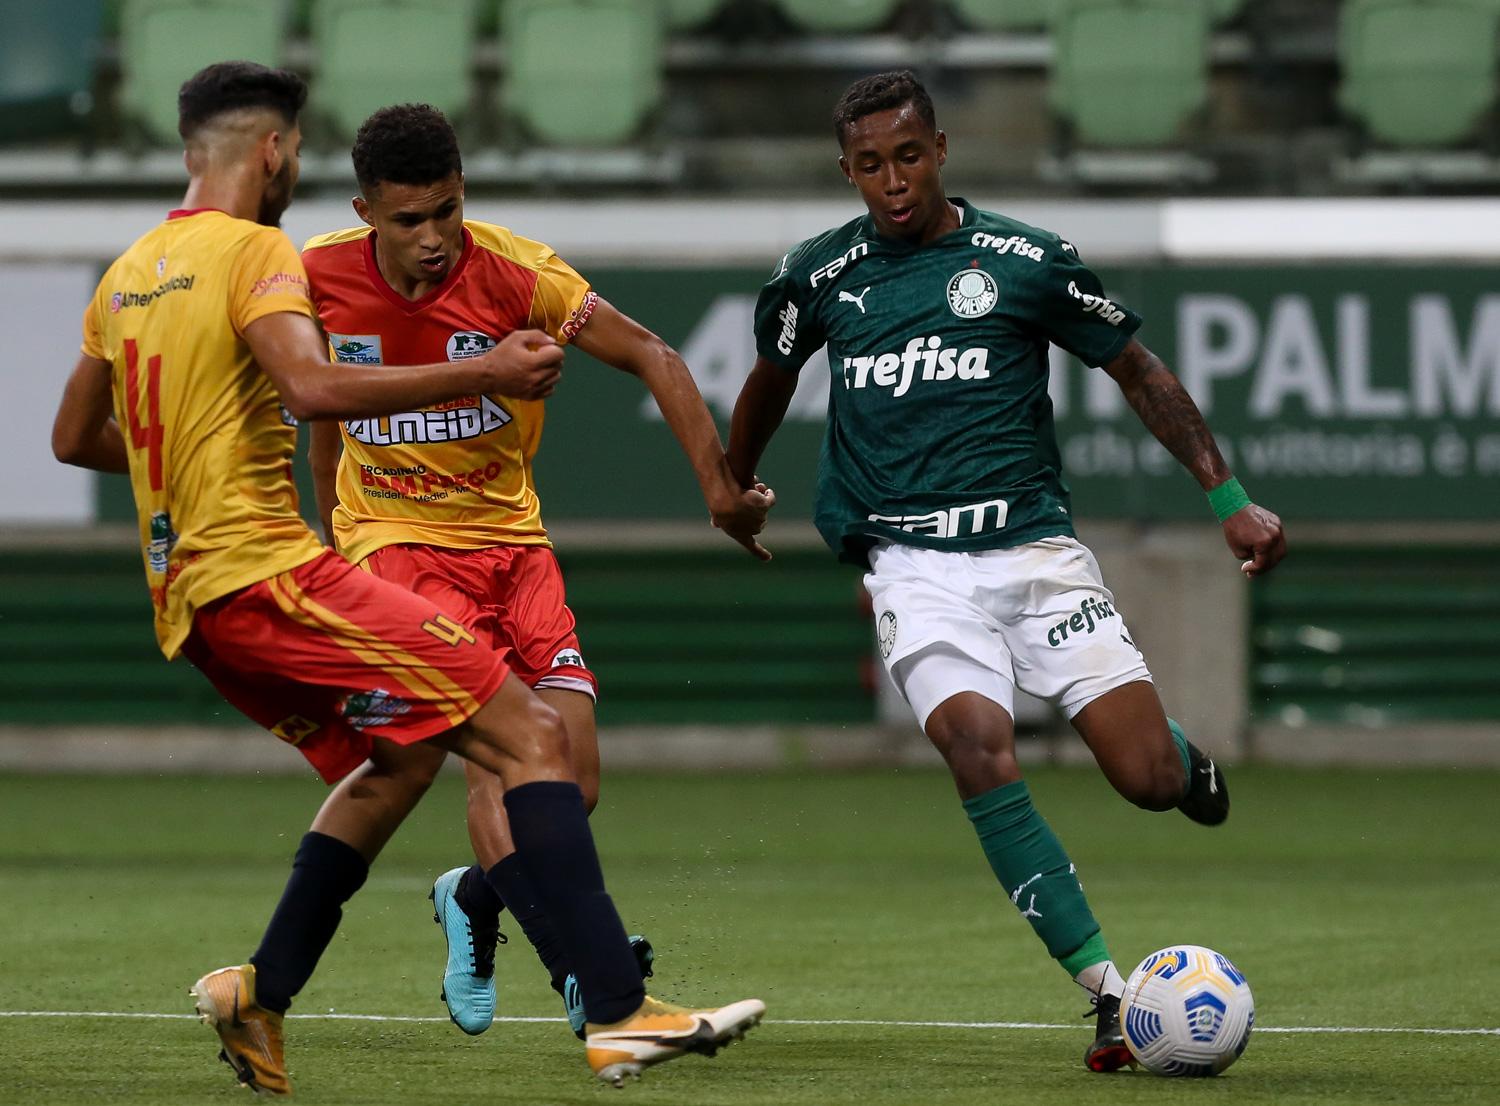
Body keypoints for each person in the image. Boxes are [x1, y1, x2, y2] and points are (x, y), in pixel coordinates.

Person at [50, 61, 764, 1096]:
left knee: (403, 769)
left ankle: (263, 990)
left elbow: (75, 436)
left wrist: (186, 461)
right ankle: (612, 1005)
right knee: (527, 738)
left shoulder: (127, 271)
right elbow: (311, 388)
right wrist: (482, 372)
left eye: (448, 210)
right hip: (290, 566)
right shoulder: (265, 253)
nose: (432, 235)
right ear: (276, 153)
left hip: (198, 598)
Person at [727, 70, 1285, 1073]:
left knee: (1147, 779)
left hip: (1033, 554)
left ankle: (1178, 751)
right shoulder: (817, 277)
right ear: (846, 169)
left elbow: (1140, 372)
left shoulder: (1025, 260)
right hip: (912, 564)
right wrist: (734, 482)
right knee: (976, 745)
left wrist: (1225, 498)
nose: (891, 181)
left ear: (940, 150)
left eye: (907, 156)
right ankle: (1110, 993)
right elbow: (769, 382)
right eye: (868, 165)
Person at [300, 102, 772, 1039]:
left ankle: (473, 899)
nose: (433, 239)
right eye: (407, 221)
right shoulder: (310, 278)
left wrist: (719, 488)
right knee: (500, 770)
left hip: (514, 549)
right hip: (395, 545)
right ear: (365, 213)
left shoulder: (518, 272)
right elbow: (318, 417)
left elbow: (654, 353)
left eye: (446, 211)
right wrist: (330, 546)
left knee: (571, 783)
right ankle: (596, 990)